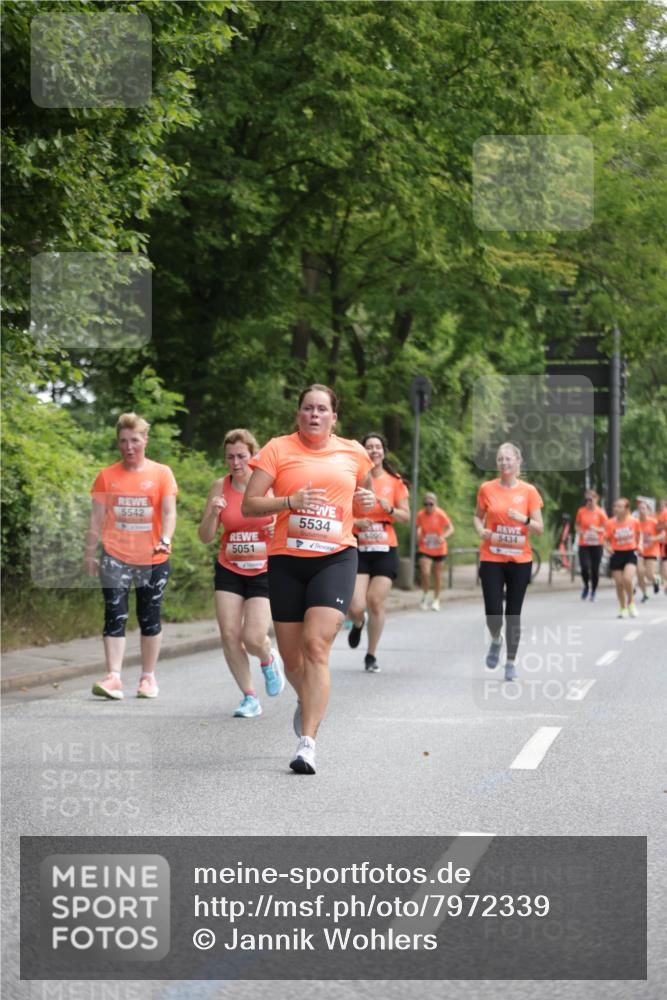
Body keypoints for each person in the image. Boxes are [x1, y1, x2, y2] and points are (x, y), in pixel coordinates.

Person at [242, 384, 375, 774]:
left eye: (321, 409)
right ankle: (307, 696)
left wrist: (365, 504)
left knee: (316, 646)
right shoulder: (277, 449)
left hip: (335, 558)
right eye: (308, 408)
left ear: (334, 417)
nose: (314, 415)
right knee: (293, 659)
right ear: (298, 413)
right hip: (287, 560)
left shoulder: (354, 452)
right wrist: (289, 502)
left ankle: (307, 744)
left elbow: (363, 500)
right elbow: (249, 504)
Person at [85, 413, 177, 700]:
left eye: (135, 440)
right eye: (123, 441)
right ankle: (113, 677)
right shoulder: (106, 476)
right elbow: (96, 519)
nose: (129, 447)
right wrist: (89, 553)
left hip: (152, 557)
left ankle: (148, 678)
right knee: (115, 613)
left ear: (145, 440)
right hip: (115, 555)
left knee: (149, 616)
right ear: (118, 443)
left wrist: (165, 539)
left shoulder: (162, 473)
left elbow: (169, 513)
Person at [198, 429, 284, 718]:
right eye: (230, 457)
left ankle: (268, 659)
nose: (235, 463)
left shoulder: (269, 487)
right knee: (230, 635)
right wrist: (213, 514)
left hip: (264, 569)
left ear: (253, 456)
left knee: (254, 637)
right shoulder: (219, 487)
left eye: (241, 456)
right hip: (230, 568)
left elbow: (291, 524)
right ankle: (249, 696)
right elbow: (205, 536)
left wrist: (278, 526)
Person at [473, 442, 544, 682]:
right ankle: (496, 639)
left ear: (518, 462)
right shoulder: (486, 488)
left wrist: (523, 519)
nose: (504, 463)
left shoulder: (529, 491)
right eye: (500, 459)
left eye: (508, 459)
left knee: (513, 614)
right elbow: (477, 517)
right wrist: (480, 530)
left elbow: (539, 528)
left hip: (520, 560)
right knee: (493, 611)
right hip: (492, 557)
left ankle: (511, 662)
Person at [347, 433, 410, 672]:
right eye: (369, 447)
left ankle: (371, 655)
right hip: (359, 547)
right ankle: (358, 623)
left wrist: (389, 508)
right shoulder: (353, 479)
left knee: (375, 601)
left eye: (378, 447)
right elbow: (341, 511)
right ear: (363, 452)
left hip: (385, 548)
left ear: (384, 452)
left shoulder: (395, 482)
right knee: (356, 606)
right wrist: (356, 521)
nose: (374, 451)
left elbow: (405, 517)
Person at [416, 492, 454, 611]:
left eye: (431, 504)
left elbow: (451, 528)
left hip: (439, 548)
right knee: (425, 573)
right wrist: (418, 533)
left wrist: (443, 537)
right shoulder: (420, 514)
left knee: (437, 575)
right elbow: (418, 527)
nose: (428, 506)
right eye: (426, 504)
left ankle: (436, 599)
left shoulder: (441, 514)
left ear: (435, 504)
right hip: (425, 547)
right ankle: (425, 595)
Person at [603, 497, 640, 618]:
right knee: (619, 583)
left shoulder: (634, 521)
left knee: (627, 579)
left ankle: (631, 603)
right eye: (615, 506)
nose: (616, 508)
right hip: (616, 554)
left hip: (630, 552)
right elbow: (605, 539)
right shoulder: (609, 523)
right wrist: (607, 547)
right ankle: (622, 607)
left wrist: (639, 545)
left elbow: (640, 534)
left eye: (619, 506)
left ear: (626, 509)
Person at [574, 490, 608, 601]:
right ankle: (586, 586)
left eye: (591, 499)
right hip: (584, 543)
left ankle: (593, 591)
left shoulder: (600, 512)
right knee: (584, 567)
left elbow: (607, 528)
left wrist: (597, 529)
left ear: (596, 499)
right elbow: (577, 525)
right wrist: (580, 531)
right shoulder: (581, 511)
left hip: (597, 544)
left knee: (595, 569)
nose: (589, 502)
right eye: (587, 499)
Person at [635, 499, 663, 603]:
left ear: (648, 510)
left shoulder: (653, 522)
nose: (641, 510)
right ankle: (645, 594)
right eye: (640, 508)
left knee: (649, 574)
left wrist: (653, 538)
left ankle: (656, 580)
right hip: (640, 551)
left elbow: (663, 534)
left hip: (652, 550)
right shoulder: (635, 522)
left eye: (644, 508)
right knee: (639, 572)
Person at [658, 498, 667, 595]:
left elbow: (663, 525)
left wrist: (658, 527)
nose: (660, 506)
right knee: (663, 562)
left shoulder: (664, 513)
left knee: (664, 562)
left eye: (662, 504)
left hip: (664, 541)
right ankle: (664, 582)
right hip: (662, 541)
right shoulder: (660, 513)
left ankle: (665, 583)